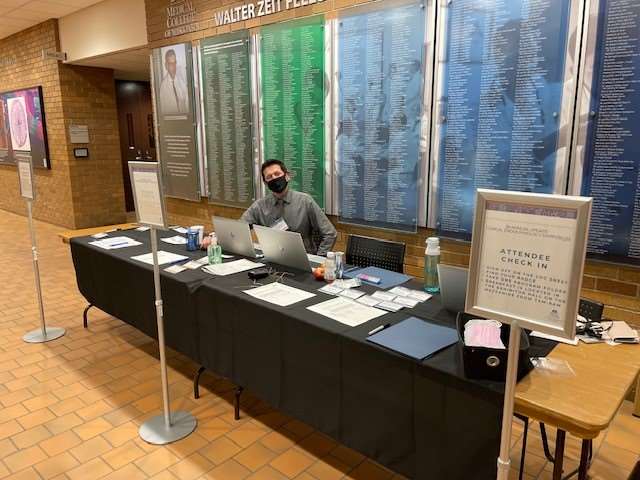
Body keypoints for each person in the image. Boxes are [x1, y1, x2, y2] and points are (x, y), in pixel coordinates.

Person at [241, 159, 337, 256]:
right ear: (265, 183)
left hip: (303, 259)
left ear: (287, 176)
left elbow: (330, 233)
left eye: (277, 174)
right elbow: (240, 228)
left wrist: (319, 259)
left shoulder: (305, 201)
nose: (274, 178)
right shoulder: (259, 206)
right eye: (269, 177)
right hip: (273, 258)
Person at [158, 48, 189, 115]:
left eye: (175, 63)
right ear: (166, 65)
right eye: (171, 64)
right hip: (172, 122)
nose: (174, 66)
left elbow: (187, 103)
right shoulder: (163, 87)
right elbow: (163, 110)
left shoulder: (182, 82)